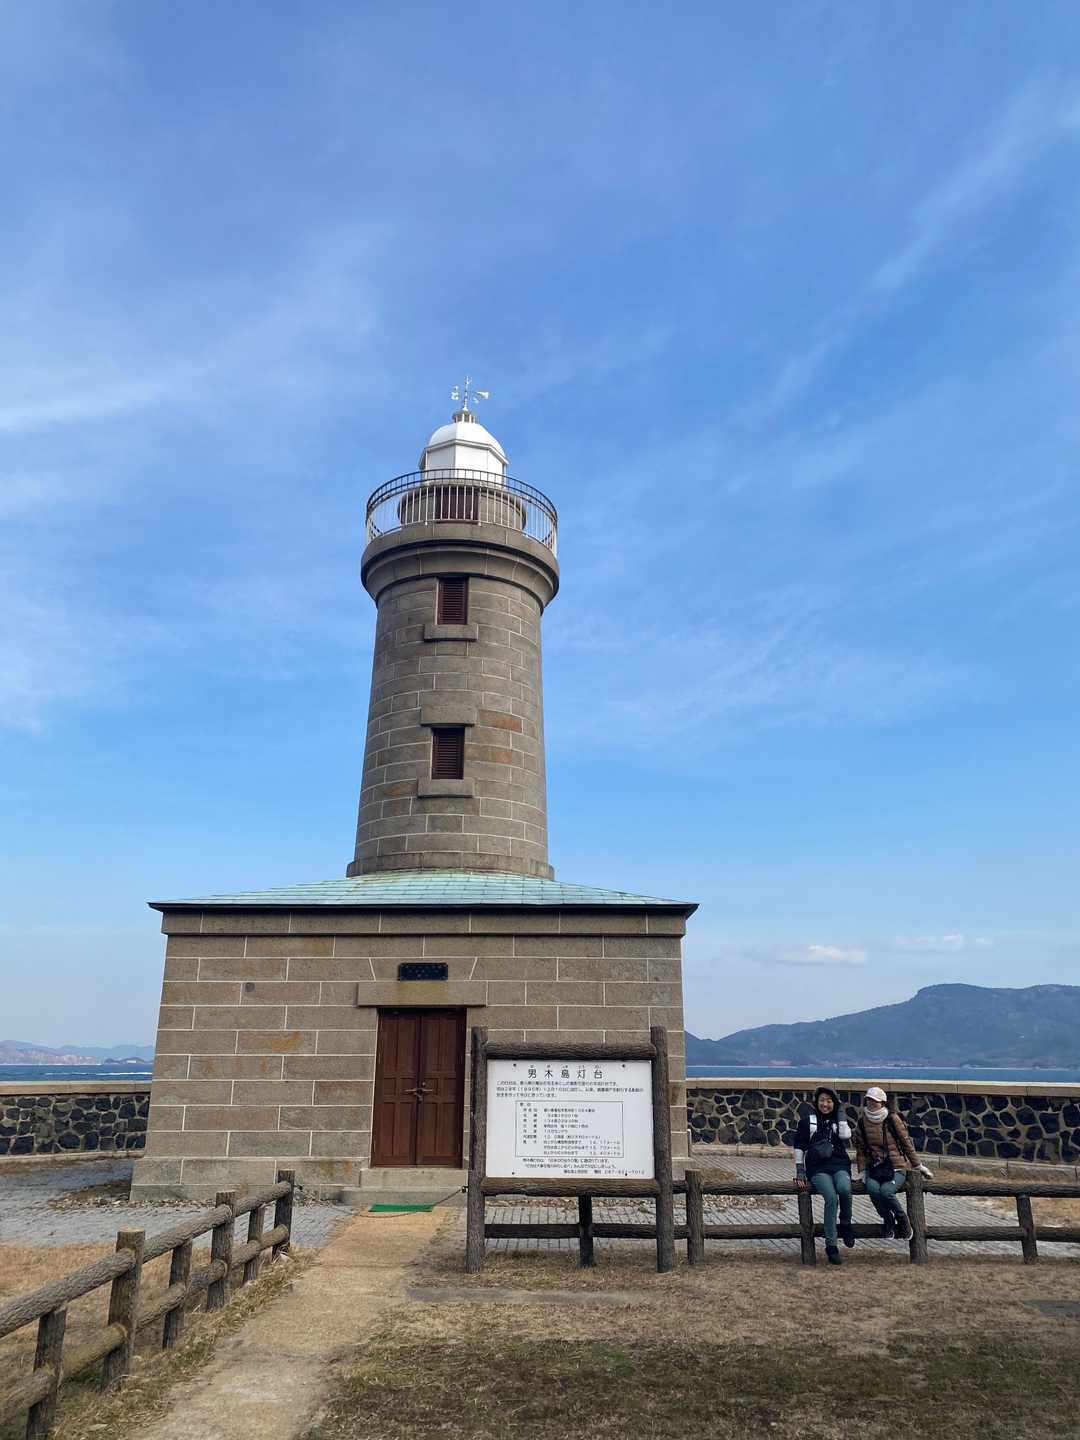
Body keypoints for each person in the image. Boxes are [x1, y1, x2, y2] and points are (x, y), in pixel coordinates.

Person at [854, 1085, 934, 1239]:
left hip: (896, 1166)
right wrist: (863, 1171)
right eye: (869, 1100)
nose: (871, 1103)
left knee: (886, 1192)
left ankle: (903, 1220)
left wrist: (918, 1165)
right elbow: (861, 1149)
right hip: (876, 1167)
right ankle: (888, 1219)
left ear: (883, 1102)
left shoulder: (892, 1119)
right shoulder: (862, 1121)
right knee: (872, 1189)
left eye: (875, 1100)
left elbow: (906, 1143)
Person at [793, 1086, 854, 1266]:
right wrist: (800, 1171)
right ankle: (831, 1245)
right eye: (822, 1100)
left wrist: (840, 1112)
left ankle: (845, 1224)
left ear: (834, 1103)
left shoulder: (838, 1121)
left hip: (839, 1164)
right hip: (818, 1168)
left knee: (845, 1189)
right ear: (816, 1102)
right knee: (831, 1198)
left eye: (829, 1101)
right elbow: (799, 1146)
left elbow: (845, 1135)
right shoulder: (808, 1122)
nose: (825, 1104)